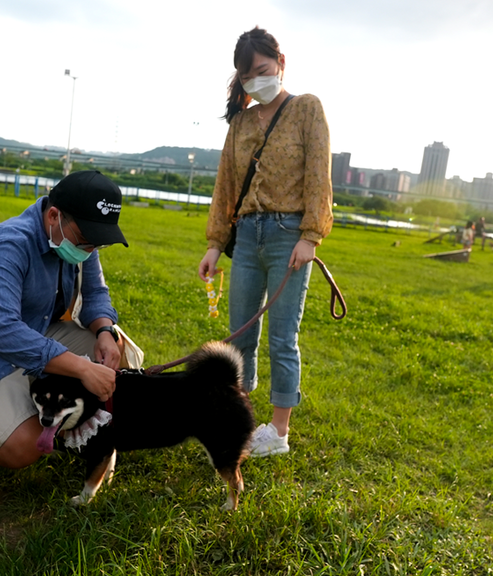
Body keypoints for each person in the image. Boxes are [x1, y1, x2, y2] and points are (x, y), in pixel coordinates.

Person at [0, 170, 129, 476]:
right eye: (85, 241)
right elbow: (0, 330)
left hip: (32, 334)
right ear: (54, 216)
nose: (90, 251)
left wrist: (105, 332)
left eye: (97, 245)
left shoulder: (78, 240)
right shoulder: (10, 243)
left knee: (118, 351)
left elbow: (95, 292)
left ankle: (85, 433)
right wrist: (82, 368)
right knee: (25, 445)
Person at [198, 27, 333, 458]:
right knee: (240, 335)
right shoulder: (239, 123)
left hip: (288, 236)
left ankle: (278, 431)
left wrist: (311, 235)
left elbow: (319, 175)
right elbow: (225, 185)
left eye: (262, 70)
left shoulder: (306, 109)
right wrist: (215, 243)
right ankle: (245, 420)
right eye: (247, 77)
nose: (256, 81)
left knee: (282, 337)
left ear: (280, 62)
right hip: (249, 234)